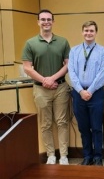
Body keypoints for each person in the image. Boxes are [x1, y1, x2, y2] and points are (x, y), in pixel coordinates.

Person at [22, 9, 70, 165]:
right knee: (45, 124)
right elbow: (27, 67)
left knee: (62, 122)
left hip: (61, 87)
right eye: (43, 19)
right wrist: (45, 81)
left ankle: (63, 156)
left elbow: (68, 65)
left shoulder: (63, 42)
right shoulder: (30, 43)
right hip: (41, 89)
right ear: (38, 22)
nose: (46, 22)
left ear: (53, 22)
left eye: (49, 19)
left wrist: (53, 79)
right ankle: (51, 155)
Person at [68, 21, 104, 166]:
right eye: (86, 30)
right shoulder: (74, 51)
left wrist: (89, 91)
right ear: (82, 32)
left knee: (97, 126)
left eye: (91, 31)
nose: (88, 33)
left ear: (96, 32)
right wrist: (80, 90)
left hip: (96, 93)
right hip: (78, 93)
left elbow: (102, 74)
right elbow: (71, 72)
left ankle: (98, 156)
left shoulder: (103, 51)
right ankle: (87, 156)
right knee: (83, 127)